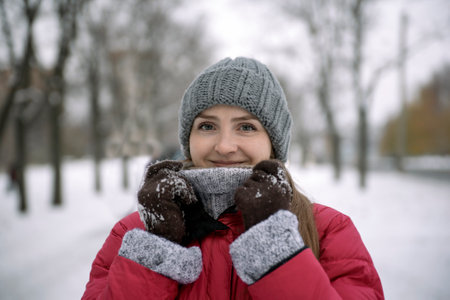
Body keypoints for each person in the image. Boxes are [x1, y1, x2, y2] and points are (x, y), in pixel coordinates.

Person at [82, 57, 384, 299]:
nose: (224, 146)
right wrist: (157, 245)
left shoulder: (329, 231)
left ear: (274, 144)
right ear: (189, 138)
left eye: (247, 127)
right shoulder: (134, 233)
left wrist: (274, 245)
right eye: (207, 126)